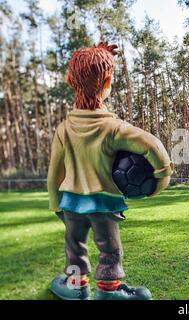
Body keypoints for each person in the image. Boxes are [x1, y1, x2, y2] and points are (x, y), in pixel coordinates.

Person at [47, 42, 173, 300]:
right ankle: (109, 292)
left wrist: (55, 203)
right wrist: (162, 177)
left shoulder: (64, 129)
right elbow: (154, 146)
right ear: (107, 82)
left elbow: (54, 173)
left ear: (71, 81)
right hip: (104, 204)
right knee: (109, 249)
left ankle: (75, 286)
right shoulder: (113, 129)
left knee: (74, 246)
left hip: (71, 203)